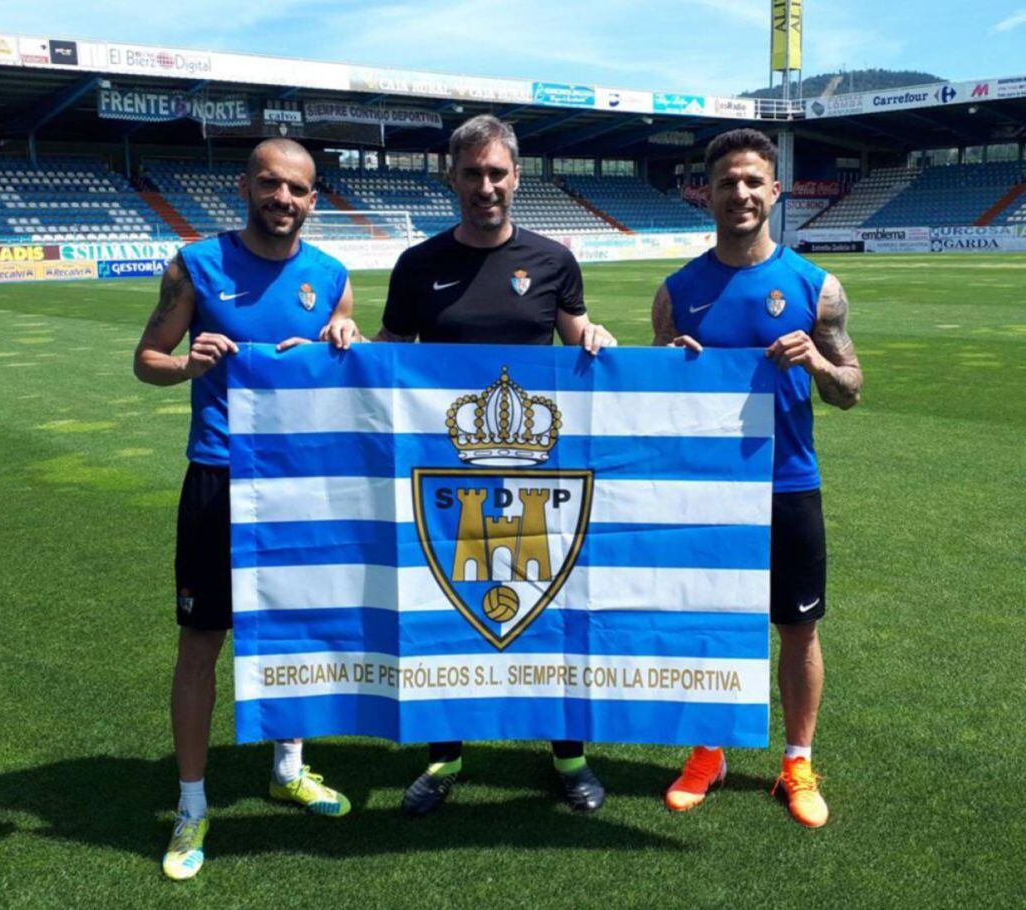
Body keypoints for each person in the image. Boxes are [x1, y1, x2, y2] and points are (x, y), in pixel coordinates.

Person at [338, 114, 616, 816]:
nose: (485, 186)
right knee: (445, 615)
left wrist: (595, 334)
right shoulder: (419, 265)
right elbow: (390, 351)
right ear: (452, 177)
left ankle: (571, 758)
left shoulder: (553, 259)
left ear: (516, 176)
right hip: (444, 481)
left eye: (497, 173)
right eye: (472, 173)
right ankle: (443, 759)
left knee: (549, 613)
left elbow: (575, 332)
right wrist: (347, 341)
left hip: (537, 480)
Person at [134, 138, 360, 880]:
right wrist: (185, 364)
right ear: (246, 186)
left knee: (298, 634)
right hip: (218, 477)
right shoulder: (194, 264)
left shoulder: (331, 277)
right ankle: (192, 806)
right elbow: (147, 359)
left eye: (297, 189)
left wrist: (342, 341)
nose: (283, 199)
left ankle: (288, 769)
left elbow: (346, 372)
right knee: (202, 643)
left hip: (300, 486)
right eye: (270, 184)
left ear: (313, 199)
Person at [652, 128, 863, 829]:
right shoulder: (677, 292)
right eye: (726, 182)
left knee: (798, 629)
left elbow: (851, 389)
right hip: (708, 491)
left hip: (790, 482)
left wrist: (820, 364)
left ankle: (796, 762)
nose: (740, 193)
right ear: (704, 193)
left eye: (753, 182)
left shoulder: (815, 287)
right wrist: (671, 368)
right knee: (711, 623)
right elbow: (650, 403)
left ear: (775, 191)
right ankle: (707, 754)